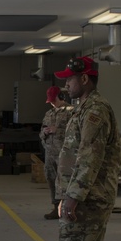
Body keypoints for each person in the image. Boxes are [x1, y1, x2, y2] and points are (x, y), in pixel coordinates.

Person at [22, 56, 121, 241]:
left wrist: (73, 197)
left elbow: (90, 156)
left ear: (86, 79)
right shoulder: (84, 109)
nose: (66, 84)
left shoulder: (95, 110)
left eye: (70, 79)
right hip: (88, 196)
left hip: (88, 198)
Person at [40, 86, 73, 220]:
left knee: (65, 181)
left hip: (64, 153)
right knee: (51, 179)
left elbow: (75, 132)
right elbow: (41, 131)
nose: (52, 103)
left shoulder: (71, 112)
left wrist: (57, 130)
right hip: (50, 152)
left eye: (54, 100)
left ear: (61, 97)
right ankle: (55, 207)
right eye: (50, 101)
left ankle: (67, 208)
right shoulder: (49, 114)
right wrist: (44, 132)